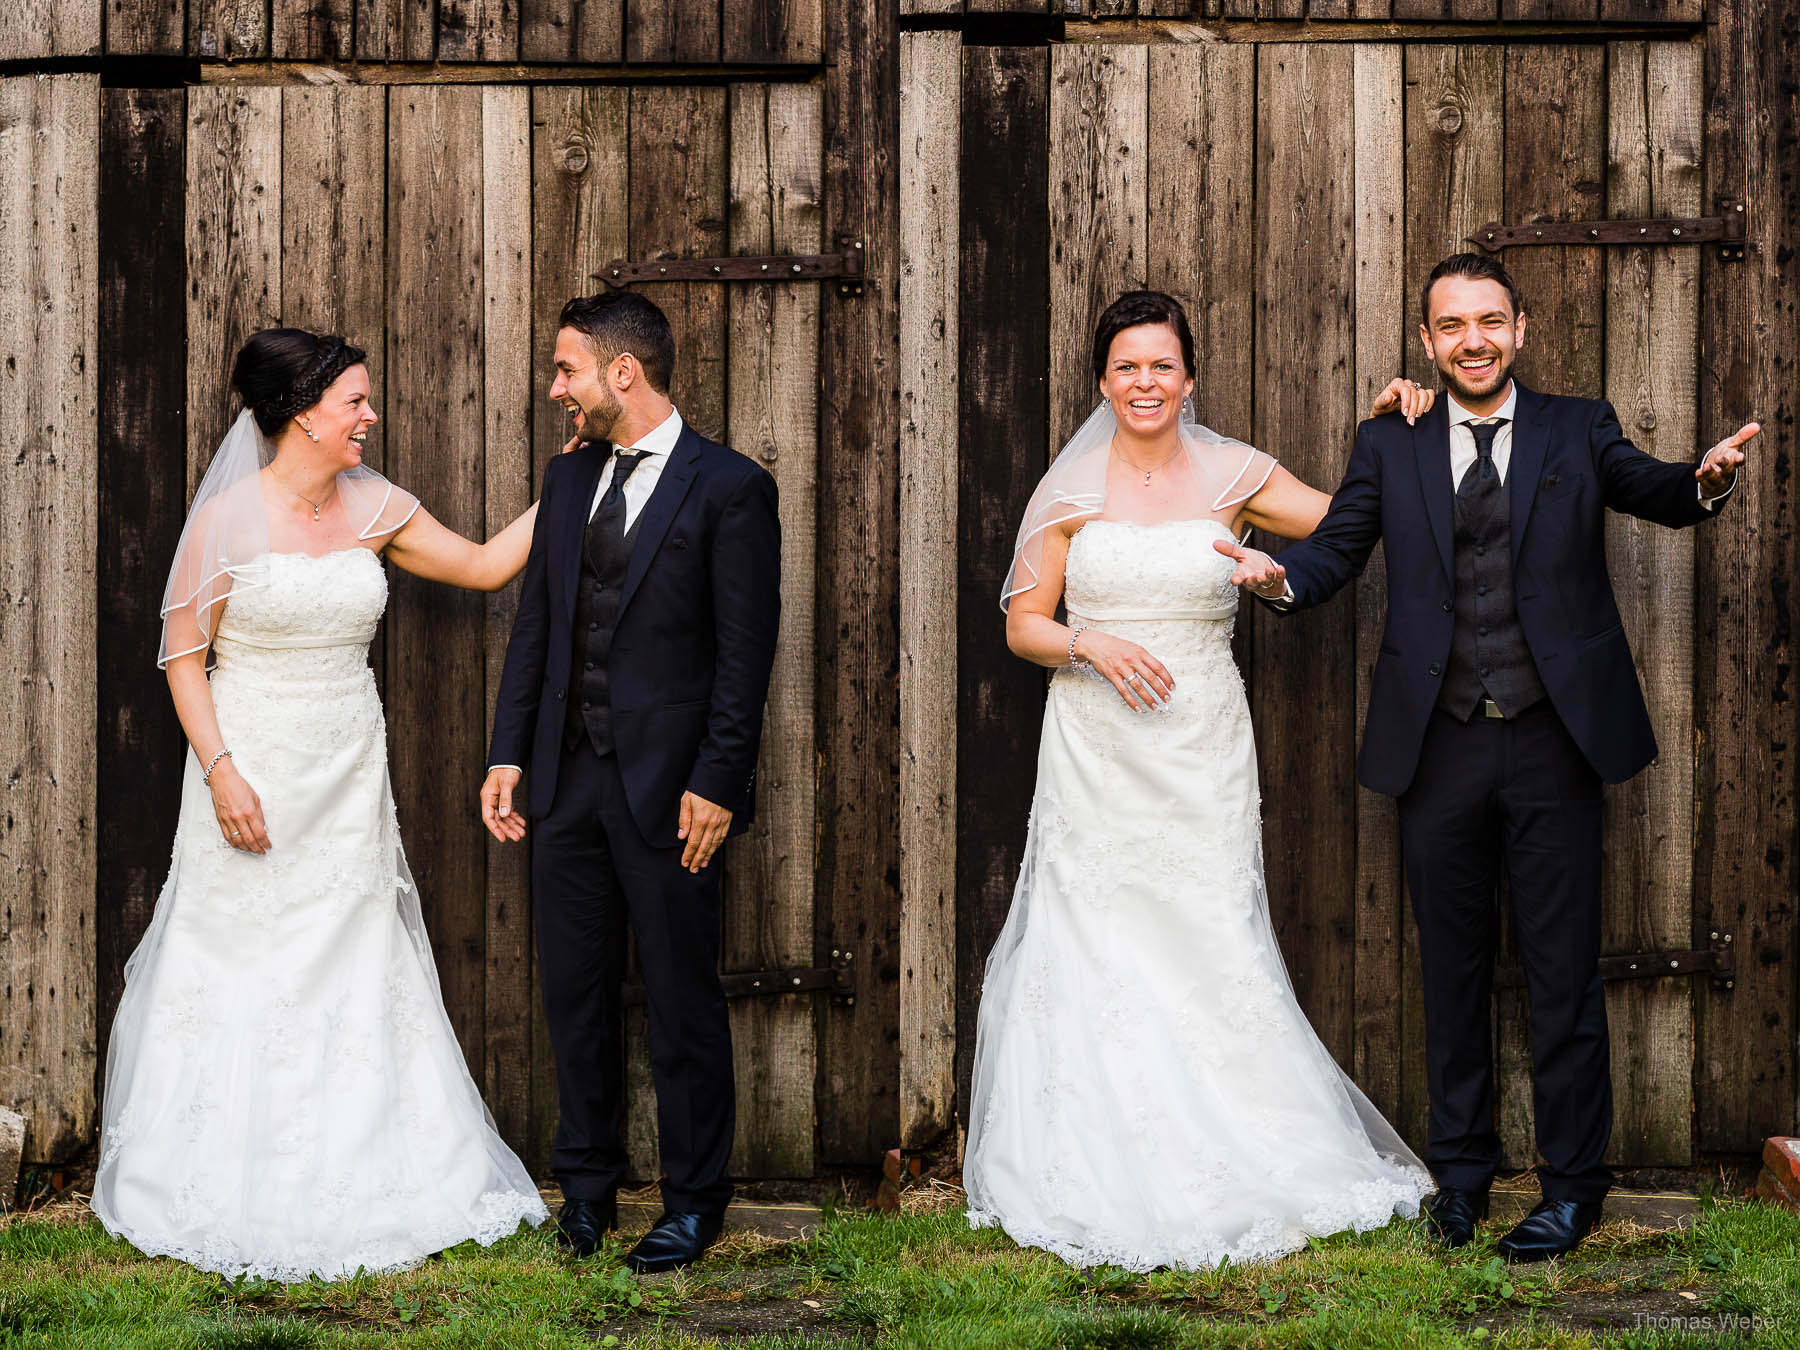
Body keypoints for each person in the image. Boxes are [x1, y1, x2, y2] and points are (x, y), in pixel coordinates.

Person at [1218, 253, 1756, 1261]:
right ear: (1427, 340)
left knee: (1561, 974)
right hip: (1439, 746)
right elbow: (1333, 557)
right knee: (1453, 976)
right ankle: (1460, 1181)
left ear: (1522, 329)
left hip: (1557, 740)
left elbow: (1653, 489)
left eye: (1490, 320)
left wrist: (1705, 481)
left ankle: (1572, 1188)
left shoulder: (1578, 425)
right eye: (1452, 324)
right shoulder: (1391, 441)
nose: (1473, 338)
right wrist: (1274, 576)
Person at [963, 290, 1436, 1271]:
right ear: (1104, 380)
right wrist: (1088, 641)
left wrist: (1390, 430)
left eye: (1162, 366)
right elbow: (1024, 624)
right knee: (1098, 935)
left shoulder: (1235, 474)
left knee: (1207, 927)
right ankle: (1095, 1147)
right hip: (1098, 743)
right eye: (1127, 366)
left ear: (1189, 377)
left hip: (1200, 739)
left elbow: (1357, 516)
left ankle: (1240, 1141)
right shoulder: (1070, 488)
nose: (1145, 382)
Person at [92, 329, 550, 1281]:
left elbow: (480, 565)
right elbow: (183, 660)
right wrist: (221, 772)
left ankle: (368, 1167)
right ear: (303, 412)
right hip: (251, 767)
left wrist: (573, 488)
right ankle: (216, 1169)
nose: (369, 416)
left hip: (347, 768)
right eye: (355, 401)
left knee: (353, 949)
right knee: (240, 950)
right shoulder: (224, 521)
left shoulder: (373, 502)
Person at [481, 291, 781, 1273]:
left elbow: (746, 656)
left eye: (566, 370)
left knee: (684, 1001)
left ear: (623, 373)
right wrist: (509, 752)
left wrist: (718, 782)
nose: (556, 388)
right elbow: (540, 628)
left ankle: (695, 1202)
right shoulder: (566, 484)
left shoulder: (731, 488)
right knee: (577, 996)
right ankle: (587, 1194)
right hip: (568, 786)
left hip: (673, 795)